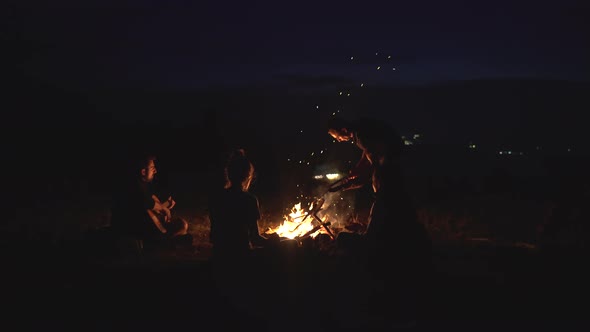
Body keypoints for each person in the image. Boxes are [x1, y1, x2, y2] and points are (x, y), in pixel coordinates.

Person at [327, 116, 433, 327]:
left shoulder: (363, 136)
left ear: (343, 129)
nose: (338, 140)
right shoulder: (363, 132)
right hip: (392, 175)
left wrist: (362, 177)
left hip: (389, 175)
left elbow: (372, 160)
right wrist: (354, 176)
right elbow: (368, 159)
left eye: (336, 136)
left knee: (347, 240)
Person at [109, 153, 191, 253]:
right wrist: (162, 208)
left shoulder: (145, 184)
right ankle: (164, 243)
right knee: (182, 227)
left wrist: (166, 204)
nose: (155, 171)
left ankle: (167, 242)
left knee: (182, 224)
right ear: (143, 171)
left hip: (146, 227)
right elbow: (146, 202)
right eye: (152, 168)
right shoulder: (133, 186)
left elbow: (152, 201)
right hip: (134, 230)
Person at [207, 148, 272, 261]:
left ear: (229, 174)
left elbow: (213, 236)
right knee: (291, 244)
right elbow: (255, 239)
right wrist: (274, 243)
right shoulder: (249, 200)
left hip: (218, 255)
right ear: (248, 177)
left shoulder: (217, 197)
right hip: (241, 256)